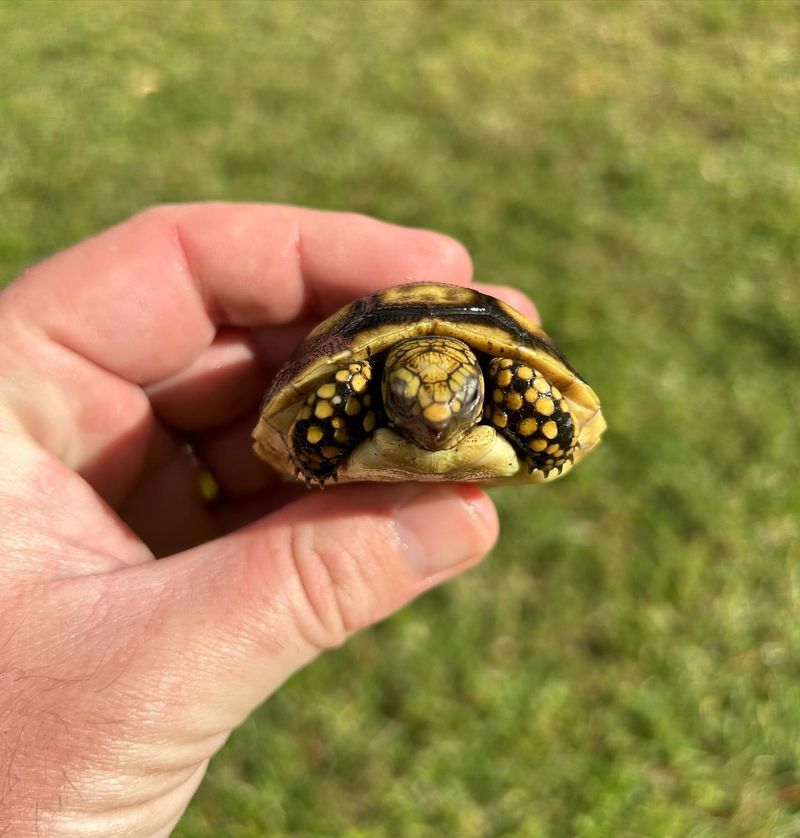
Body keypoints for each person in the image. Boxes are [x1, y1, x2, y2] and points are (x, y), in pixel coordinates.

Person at [0, 203, 538, 834]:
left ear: (480, 385)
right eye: (405, 403)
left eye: (458, 406)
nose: (435, 422)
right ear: (386, 387)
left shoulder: (498, 375)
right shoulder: (358, 376)